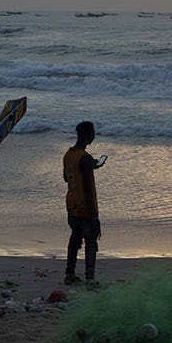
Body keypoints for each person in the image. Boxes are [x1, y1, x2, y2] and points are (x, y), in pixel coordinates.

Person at [63, 121, 104, 287]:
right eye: (92, 133)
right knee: (91, 241)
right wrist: (94, 214)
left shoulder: (69, 155)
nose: (94, 136)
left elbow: (66, 177)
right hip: (84, 207)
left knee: (75, 240)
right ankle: (89, 279)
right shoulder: (85, 159)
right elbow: (88, 188)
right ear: (87, 135)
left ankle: (70, 274)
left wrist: (91, 166)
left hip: (71, 204)